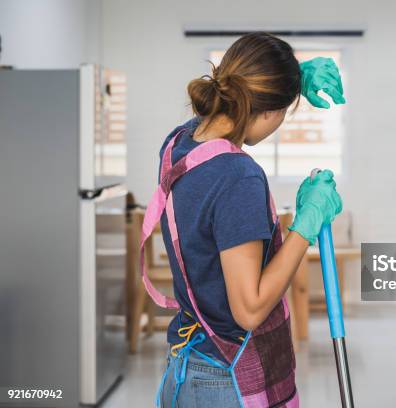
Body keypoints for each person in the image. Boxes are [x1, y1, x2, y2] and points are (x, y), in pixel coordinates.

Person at [144, 32, 344, 407]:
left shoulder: (179, 143)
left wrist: (289, 78)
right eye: (282, 113)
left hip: (187, 369)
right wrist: (306, 223)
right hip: (225, 382)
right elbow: (249, 309)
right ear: (267, 109)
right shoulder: (238, 175)